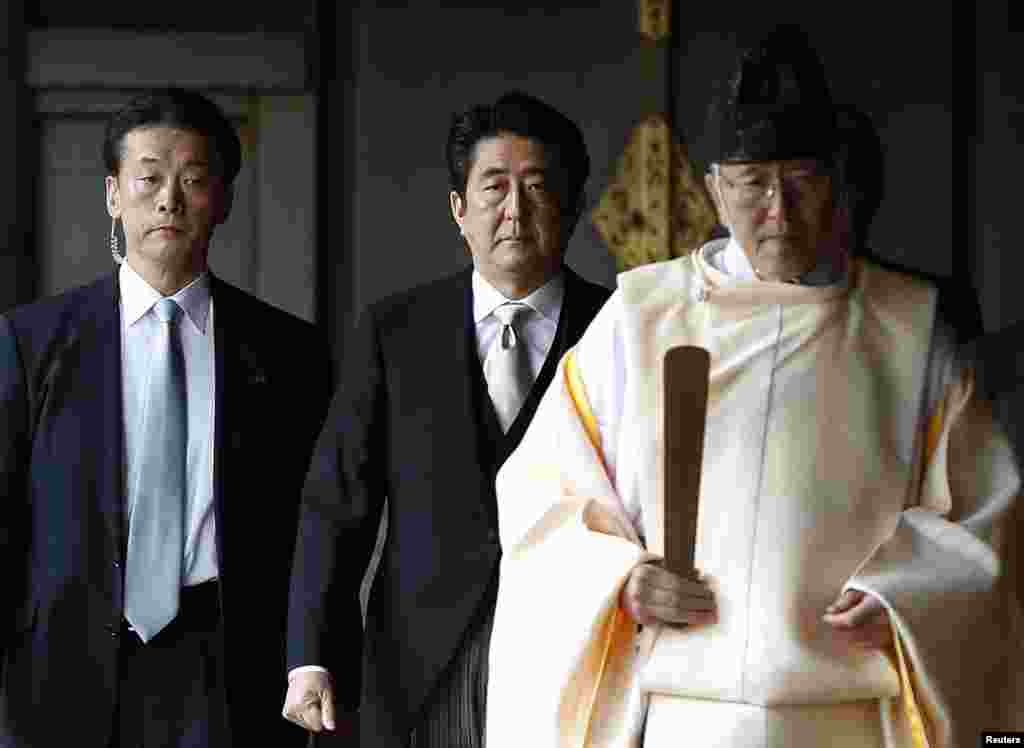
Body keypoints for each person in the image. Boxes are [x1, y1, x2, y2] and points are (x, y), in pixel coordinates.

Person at [485, 26, 1023, 747]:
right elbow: (543, 499)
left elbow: (983, 514)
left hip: (850, 710)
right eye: (750, 187)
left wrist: (905, 594)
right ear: (713, 189)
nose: (777, 211)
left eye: (800, 183)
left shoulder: (910, 328)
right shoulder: (643, 317)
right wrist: (622, 579)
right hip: (688, 711)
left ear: (836, 180)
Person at [0, 88, 330, 747]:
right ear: (113, 196)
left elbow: (314, 525)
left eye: (194, 179)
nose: (168, 199)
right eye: (148, 178)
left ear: (225, 199)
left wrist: (307, 656)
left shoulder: (289, 353)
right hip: (65, 665)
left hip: (228, 663)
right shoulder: (32, 341)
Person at [281, 91, 611, 747]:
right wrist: (309, 655)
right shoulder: (394, 330)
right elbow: (336, 503)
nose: (514, 210)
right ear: (459, 209)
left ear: (572, 208)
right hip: (422, 661)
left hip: (578, 654)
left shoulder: (618, 329)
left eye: (538, 188)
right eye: (494, 188)